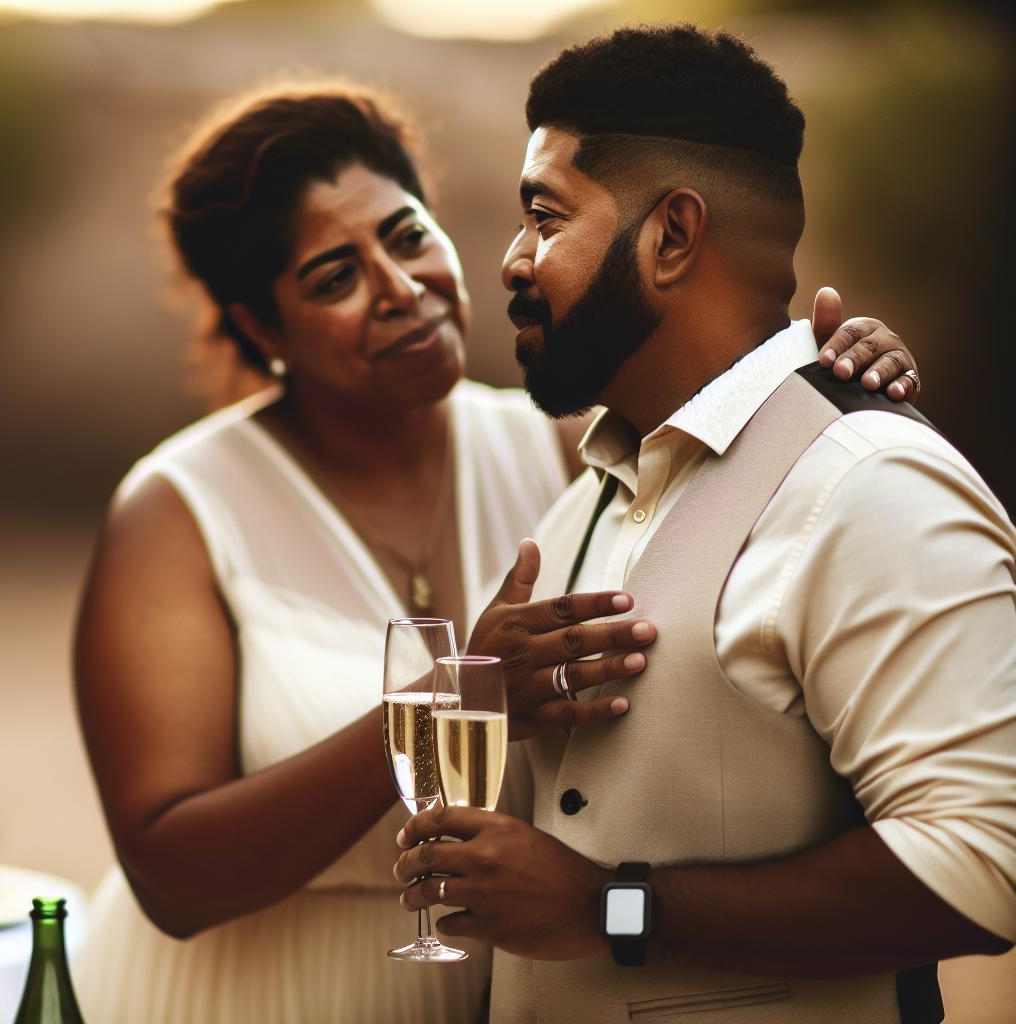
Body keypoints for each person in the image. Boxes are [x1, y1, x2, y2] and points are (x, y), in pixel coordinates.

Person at [73, 80, 922, 1022]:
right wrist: (449, 705)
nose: (400, 290)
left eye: (406, 237)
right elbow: (171, 875)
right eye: (334, 277)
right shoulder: (177, 509)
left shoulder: (572, 449)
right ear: (260, 330)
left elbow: (775, 535)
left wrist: (830, 382)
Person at [392, 26, 1016, 1024]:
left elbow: (984, 862)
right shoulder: (580, 497)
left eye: (545, 218)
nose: (513, 259)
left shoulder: (870, 481)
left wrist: (608, 907)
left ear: (671, 235)